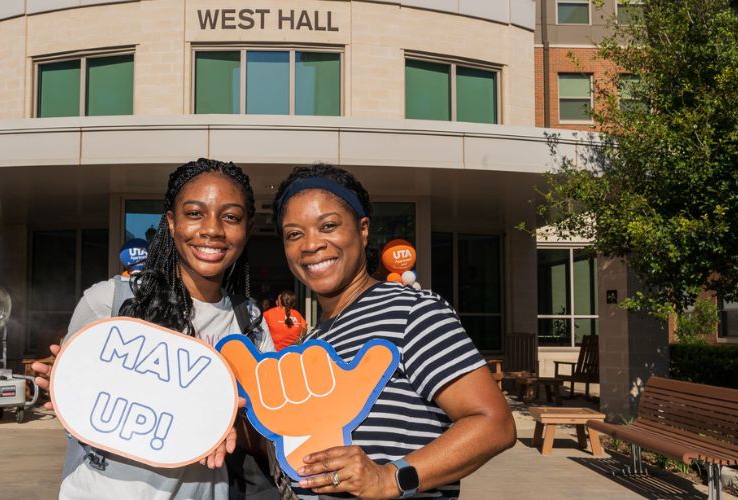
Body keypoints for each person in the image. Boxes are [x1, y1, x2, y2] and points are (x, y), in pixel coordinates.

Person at [33, 158, 277, 500]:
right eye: (195, 213)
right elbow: (80, 406)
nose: (212, 229)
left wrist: (230, 422)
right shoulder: (109, 301)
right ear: (172, 223)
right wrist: (63, 387)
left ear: (247, 229)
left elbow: (268, 428)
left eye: (231, 217)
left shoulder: (248, 321)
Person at [270, 164, 515, 498]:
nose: (311, 245)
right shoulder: (313, 340)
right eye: (294, 234)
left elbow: (495, 423)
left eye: (328, 226)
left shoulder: (412, 311)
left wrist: (389, 477)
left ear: (363, 229)